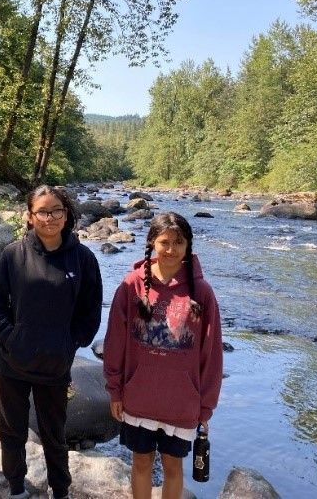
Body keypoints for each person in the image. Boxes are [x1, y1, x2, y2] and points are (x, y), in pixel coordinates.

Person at [0, 185, 103, 499]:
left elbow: (91, 311)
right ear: (30, 216)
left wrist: (71, 343)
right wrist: (12, 340)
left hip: (56, 364)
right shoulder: (13, 255)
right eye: (42, 211)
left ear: (67, 215)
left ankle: (60, 490)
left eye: (56, 211)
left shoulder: (83, 259)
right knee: (11, 432)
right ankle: (15, 488)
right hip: (12, 362)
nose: (49, 218)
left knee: (54, 433)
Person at [103, 211, 223, 499]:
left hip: (181, 403)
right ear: (151, 244)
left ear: (188, 246)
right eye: (164, 242)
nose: (171, 250)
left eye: (178, 243)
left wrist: (205, 405)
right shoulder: (131, 285)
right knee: (141, 462)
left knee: (173, 467)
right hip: (138, 397)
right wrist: (115, 390)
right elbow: (115, 342)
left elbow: (212, 353)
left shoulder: (202, 293)